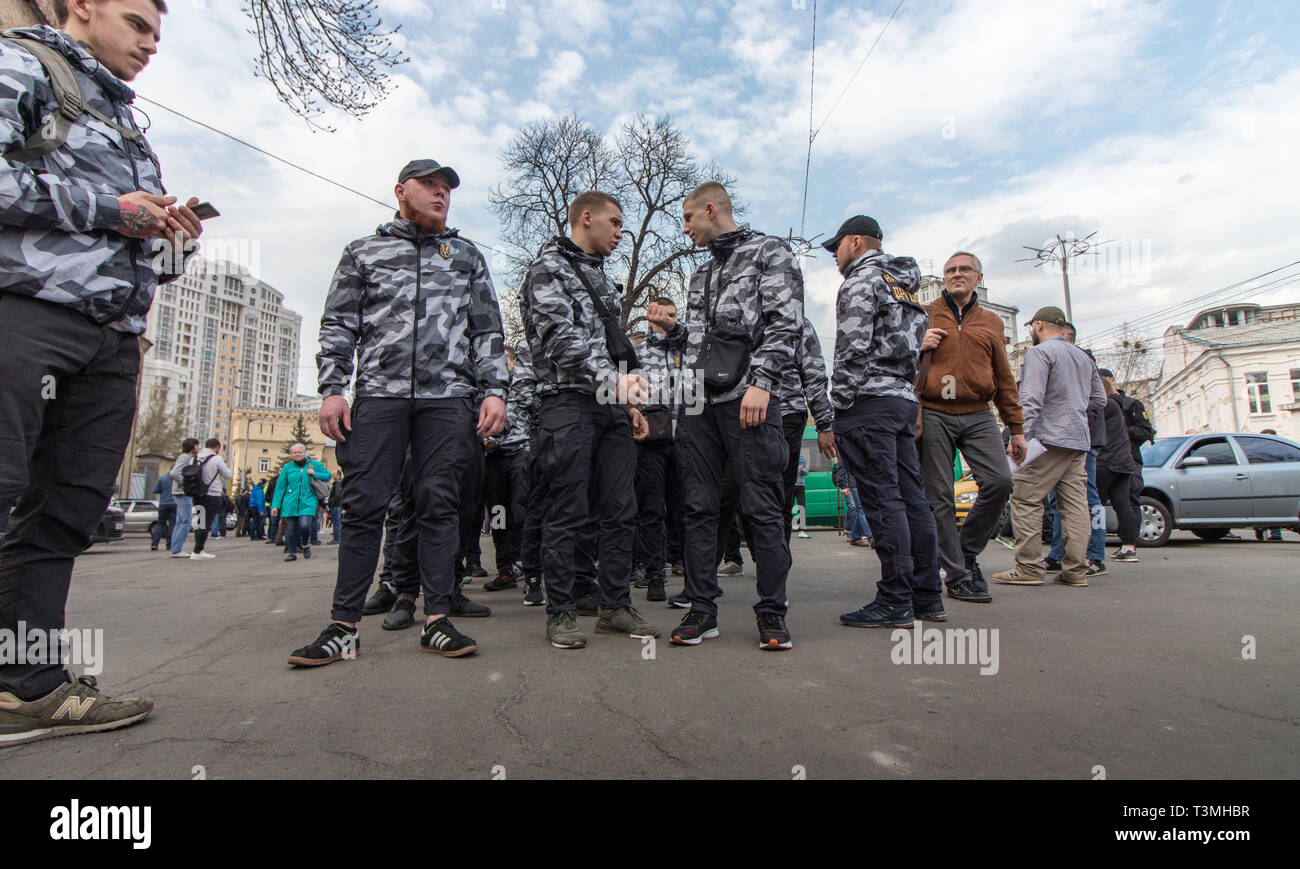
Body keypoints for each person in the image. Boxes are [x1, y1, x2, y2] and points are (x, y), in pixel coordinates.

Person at [0, 0, 201, 743]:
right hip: (24, 310)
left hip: (110, 337)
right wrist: (111, 209)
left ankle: (25, 688)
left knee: (64, 510)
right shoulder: (24, 64)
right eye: (137, 24)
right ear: (80, 7)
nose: (150, 44)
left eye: (157, 33)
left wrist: (169, 239)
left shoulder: (124, 121)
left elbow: (136, 241)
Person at [289, 158, 508, 667]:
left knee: (439, 504)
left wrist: (495, 391)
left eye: (447, 188)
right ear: (400, 191)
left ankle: (436, 619)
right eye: (429, 185)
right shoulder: (364, 252)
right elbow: (339, 324)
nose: (440, 194)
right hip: (379, 396)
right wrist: (331, 389)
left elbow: (487, 330)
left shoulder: (467, 256)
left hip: (448, 399)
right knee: (365, 506)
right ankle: (343, 626)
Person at [646, 182, 802, 650]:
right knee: (698, 506)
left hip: (749, 400)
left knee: (760, 506)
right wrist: (676, 333)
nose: (686, 228)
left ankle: (772, 612)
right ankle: (702, 608)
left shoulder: (770, 252)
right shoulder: (700, 274)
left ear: (710, 210)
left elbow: (784, 322)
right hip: (699, 405)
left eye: (688, 218)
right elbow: (703, 343)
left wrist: (763, 382)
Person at [521, 189, 658, 650]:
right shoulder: (547, 269)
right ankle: (560, 611)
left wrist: (629, 404)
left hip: (609, 408)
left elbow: (610, 350)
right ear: (586, 218)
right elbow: (560, 341)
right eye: (615, 223)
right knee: (567, 509)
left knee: (621, 509)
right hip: (567, 403)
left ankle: (614, 607)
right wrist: (613, 385)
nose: (621, 233)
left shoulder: (599, 278)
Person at [820, 216, 944, 629]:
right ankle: (927, 596)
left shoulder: (860, 282)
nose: (835, 257)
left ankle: (895, 600)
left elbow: (851, 350)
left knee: (882, 500)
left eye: (836, 247)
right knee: (913, 499)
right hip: (902, 401)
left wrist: (837, 404)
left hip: (868, 403)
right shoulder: (904, 287)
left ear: (855, 242)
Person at [917, 251, 1025, 604]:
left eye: (964, 270)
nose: (956, 274)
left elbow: (1004, 376)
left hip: (979, 413)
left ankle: (964, 552)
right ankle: (959, 576)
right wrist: (919, 346)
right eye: (950, 270)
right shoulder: (926, 313)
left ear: (979, 277)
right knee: (940, 498)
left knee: (999, 482)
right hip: (934, 410)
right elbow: (898, 357)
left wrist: (1016, 426)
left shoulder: (992, 322)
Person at [993, 307, 1106, 588]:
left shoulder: (1039, 353)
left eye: (1032, 327)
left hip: (1046, 439)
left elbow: (1030, 399)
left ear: (1039, 325)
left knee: (1026, 498)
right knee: (1075, 506)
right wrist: (1073, 409)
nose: (1031, 331)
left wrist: (1019, 435)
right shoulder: (1083, 356)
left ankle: (1029, 567)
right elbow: (1100, 399)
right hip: (1078, 439)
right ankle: (1075, 570)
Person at [1042, 324, 1108, 576]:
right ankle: (1059, 554)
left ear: (1065, 337)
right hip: (1069, 437)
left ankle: (1094, 555)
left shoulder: (1081, 359)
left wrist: (1072, 409)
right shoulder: (1078, 360)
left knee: (1084, 498)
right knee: (1059, 499)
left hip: (1081, 438)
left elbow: (1099, 399)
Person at [631, 298, 685, 603]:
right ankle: (654, 573)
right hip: (650, 442)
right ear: (650, 319)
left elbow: (698, 395)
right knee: (652, 509)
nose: (666, 319)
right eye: (660, 314)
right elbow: (622, 395)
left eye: (672, 315)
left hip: (685, 440)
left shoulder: (685, 352)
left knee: (687, 508)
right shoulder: (636, 354)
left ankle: (686, 565)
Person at [778, 316, 837, 542]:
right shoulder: (740, 312)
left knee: (782, 493)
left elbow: (814, 375)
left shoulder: (797, 321)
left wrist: (823, 423)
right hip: (743, 414)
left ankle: (776, 558)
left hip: (787, 413)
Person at [1095, 370, 1140, 562]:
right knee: (1122, 503)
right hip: (1123, 461)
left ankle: (1093, 548)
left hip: (1107, 462)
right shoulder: (1117, 406)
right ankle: (1129, 546)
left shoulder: (1104, 405)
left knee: (1093, 505)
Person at [270, 443, 331, 562]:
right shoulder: (287, 468)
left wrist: (315, 473)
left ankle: (305, 544)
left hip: (308, 501)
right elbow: (280, 488)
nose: (297, 454)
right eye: (294, 452)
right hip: (290, 502)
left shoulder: (314, 465)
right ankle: (292, 553)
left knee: (304, 525)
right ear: (291, 454)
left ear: (304, 453)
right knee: (291, 528)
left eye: (299, 452)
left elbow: (327, 475)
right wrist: (275, 505)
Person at [187, 438, 230, 559]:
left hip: (198, 494)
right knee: (207, 521)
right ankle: (199, 550)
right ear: (217, 447)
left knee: (200, 522)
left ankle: (197, 548)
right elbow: (227, 475)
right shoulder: (217, 459)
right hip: (212, 495)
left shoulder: (194, 459)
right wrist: (226, 467)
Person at [167, 438, 200, 558]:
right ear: (192, 446)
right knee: (185, 522)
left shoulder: (186, 458)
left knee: (180, 522)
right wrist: (186, 484)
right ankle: (176, 550)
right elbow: (174, 473)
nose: (198, 448)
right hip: (182, 492)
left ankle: (175, 548)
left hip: (180, 492)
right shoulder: (185, 457)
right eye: (197, 445)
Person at [1255, 429, 1284, 541]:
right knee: (1265, 507)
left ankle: (1275, 533)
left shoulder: (1279, 450)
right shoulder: (1257, 452)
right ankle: (1261, 527)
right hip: (1262, 483)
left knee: (1275, 507)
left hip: (1277, 483)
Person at [150, 469, 175, 551]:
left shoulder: (162, 478)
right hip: (175, 504)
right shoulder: (178, 478)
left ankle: (154, 544)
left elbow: (156, 490)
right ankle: (170, 544)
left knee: (160, 524)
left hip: (163, 503)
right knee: (172, 524)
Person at [326, 473, 343, 543]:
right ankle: (338, 537)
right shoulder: (339, 483)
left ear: (338, 475)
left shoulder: (338, 483)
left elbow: (337, 495)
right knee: (337, 522)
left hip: (336, 505)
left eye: (334, 474)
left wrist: (332, 503)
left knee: (336, 522)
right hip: (338, 505)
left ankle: (337, 538)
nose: (332, 475)